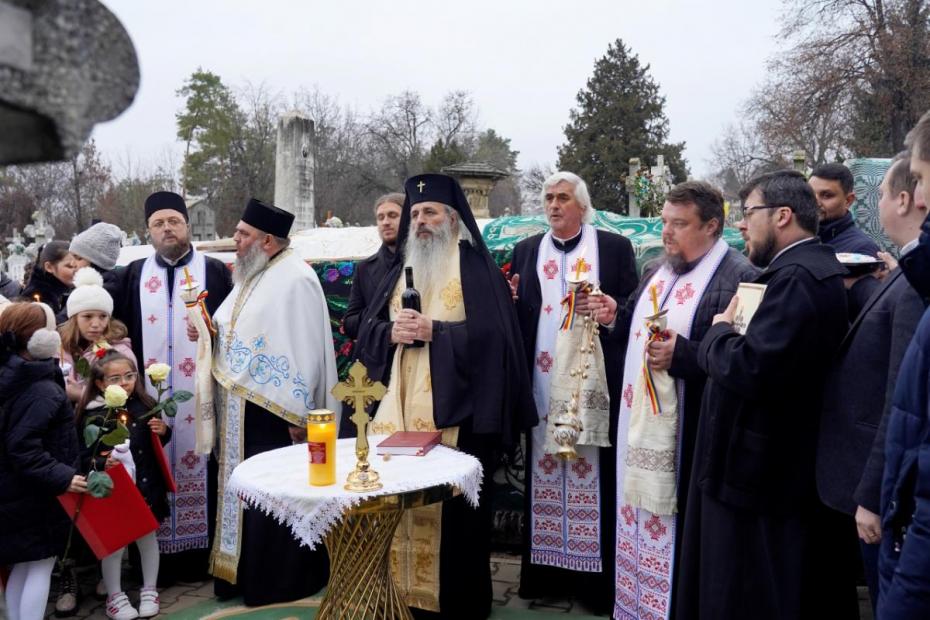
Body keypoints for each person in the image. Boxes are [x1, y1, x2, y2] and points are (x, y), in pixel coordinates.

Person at [356, 173, 536, 619]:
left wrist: (435, 330)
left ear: (453, 219)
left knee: (455, 519)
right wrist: (389, 331)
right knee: (397, 501)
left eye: (430, 212)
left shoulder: (477, 269)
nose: (420, 221)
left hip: (459, 416)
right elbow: (366, 328)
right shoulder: (400, 268)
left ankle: (455, 604)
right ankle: (399, 597)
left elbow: (498, 343)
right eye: (415, 213)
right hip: (398, 408)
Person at [674, 170, 848, 619]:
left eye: (749, 212)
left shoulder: (797, 279)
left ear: (783, 215)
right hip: (762, 466)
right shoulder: (802, 271)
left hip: (761, 472)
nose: (741, 224)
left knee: (748, 592)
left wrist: (718, 333)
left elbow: (751, 367)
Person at [613, 181, 758, 619]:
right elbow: (631, 323)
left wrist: (685, 356)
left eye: (679, 224)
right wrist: (612, 315)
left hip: (689, 436)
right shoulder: (657, 269)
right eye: (664, 222)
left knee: (679, 542)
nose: (666, 232)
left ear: (712, 226)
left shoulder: (741, 278)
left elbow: (744, 363)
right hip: (637, 427)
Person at [508, 171, 638, 613]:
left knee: (591, 468)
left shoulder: (613, 248)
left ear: (582, 206)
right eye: (548, 198)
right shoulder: (527, 250)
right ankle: (546, 577)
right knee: (544, 472)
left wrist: (610, 310)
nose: (554, 205)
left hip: (592, 383)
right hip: (542, 383)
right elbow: (523, 316)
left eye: (563, 198)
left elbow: (632, 309)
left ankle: (594, 585)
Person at [210, 198, 338, 606]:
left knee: (275, 493)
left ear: (267, 240)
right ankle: (239, 574)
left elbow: (306, 349)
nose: (235, 240)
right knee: (248, 490)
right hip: (244, 408)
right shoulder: (254, 272)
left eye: (242, 234)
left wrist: (301, 414)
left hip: (278, 414)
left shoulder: (296, 278)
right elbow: (233, 328)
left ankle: (278, 580)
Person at [814, 153, 926, 615]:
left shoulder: (914, 287)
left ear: (903, 200)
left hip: (877, 489)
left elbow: (900, 399)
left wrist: (873, 497)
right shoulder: (900, 273)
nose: (876, 205)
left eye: (880, 195)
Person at [107, 191, 233, 585]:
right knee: (148, 468)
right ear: (148, 231)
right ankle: (154, 567)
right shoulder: (132, 275)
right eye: (159, 223)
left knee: (202, 461)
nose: (167, 229)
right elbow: (115, 331)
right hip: (147, 398)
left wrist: (213, 331)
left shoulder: (214, 271)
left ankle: (199, 558)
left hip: (202, 393)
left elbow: (233, 325)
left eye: (174, 221)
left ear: (187, 225)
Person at [0, 302, 85, 620]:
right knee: (40, 565)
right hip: (36, 497)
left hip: (15, 493)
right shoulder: (41, 389)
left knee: (23, 566)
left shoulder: (12, 376)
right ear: (40, 341)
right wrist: (63, 476)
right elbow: (23, 448)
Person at [878, 111, 930, 619]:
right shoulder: (911, 269)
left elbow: (897, 391)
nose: (921, 198)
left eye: (922, 179)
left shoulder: (917, 284)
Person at [74, 351, 171, 619]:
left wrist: (163, 432)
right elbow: (81, 455)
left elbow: (154, 446)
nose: (124, 382)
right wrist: (100, 462)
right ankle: (115, 595)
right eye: (115, 378)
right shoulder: (92, 414)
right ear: (100, 383)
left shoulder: (145, 404)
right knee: (115, 546)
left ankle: (149, 589)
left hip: (145, 488)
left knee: (147, 539)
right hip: (113, 492)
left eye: (129, 376)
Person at [59, 268, 136, 403]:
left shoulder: (120, 351)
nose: (96, 324)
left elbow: (127, 392)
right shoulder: (61, 348)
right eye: (87, 316)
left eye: (103, 316)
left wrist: (81, 395)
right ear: (74, 319)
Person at [342, 193, 403, 339]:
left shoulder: (427, 264)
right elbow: (349, 325)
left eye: (393, 215)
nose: (385, 222)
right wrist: (378, 312)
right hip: (380, 349)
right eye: (380, 217)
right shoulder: (364, 269)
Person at [809, 162, 881, 257]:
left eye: (826, 195)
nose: (815, 202)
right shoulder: (799, 239)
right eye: (809, 194)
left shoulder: (862, 250)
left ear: (848, 200)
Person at [21, 241, 76, 315]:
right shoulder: (37, 298)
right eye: (70, 266)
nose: (76, 271)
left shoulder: (64, 291)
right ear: (49, 267)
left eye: (77, 266)